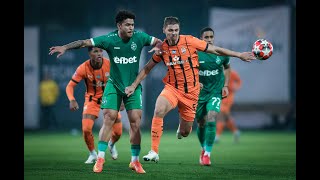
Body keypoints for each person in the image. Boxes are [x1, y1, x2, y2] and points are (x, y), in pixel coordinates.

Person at [124, 16, 255, 163]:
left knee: (186, 132)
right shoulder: (162, 48)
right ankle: (154, 150)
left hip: (191, 94)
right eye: (170, 30)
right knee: (159, 109)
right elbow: (147, 68)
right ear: (164, 30)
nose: (173, 33)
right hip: (172, 89)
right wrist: (134, 85)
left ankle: (183, 129)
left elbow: (216, 49)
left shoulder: (190, 41)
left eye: (176, 30)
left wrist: (239, 55)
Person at [49, 10, 162, 174]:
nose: (131, 28)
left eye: (132, 25)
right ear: (119, 26)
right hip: (114, 86)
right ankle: (100, 158)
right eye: (128, 25)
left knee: (135, 122)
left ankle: (135, 161)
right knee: (108, 117)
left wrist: (158, 47)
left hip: (133, 86)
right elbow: (84, 42)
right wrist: (65, 47)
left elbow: (158, 41)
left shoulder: (140, 37)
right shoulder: (108, 40)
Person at [177, 26, 231, 166]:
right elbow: (185, 71)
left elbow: (227, 67)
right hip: (199, 95)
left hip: (215, 92)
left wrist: (225, 85)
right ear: (201, 39)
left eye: (211, 37)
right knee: (201, 123)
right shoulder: (194, 54)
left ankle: (207, 154)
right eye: (206, 37)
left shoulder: (220, 53)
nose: (209, 39)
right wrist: (195, 82)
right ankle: (203, 149)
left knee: (212, 117)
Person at [66, 47, 124, 164]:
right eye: (95, 51)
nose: (99, 54)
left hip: (110, 99)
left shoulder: (110, 64)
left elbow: (120, 82)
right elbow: (70, 86)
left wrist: (121, 99)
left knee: (118, 132)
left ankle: (111, 144)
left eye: (100, 51)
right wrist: (72, 99)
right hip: (92, 100)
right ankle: (92, 154)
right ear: (89, 54)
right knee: (86, 129)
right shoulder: (83, 68)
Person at [215, 69, 242, 143]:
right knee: (226, 116)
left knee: (221, 113)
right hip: (219, 96)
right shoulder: (217, 72)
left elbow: (239, 81)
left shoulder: (232, 73)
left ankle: (217, 136)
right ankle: (236, 131)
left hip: (228, 96)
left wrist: (236, 87)